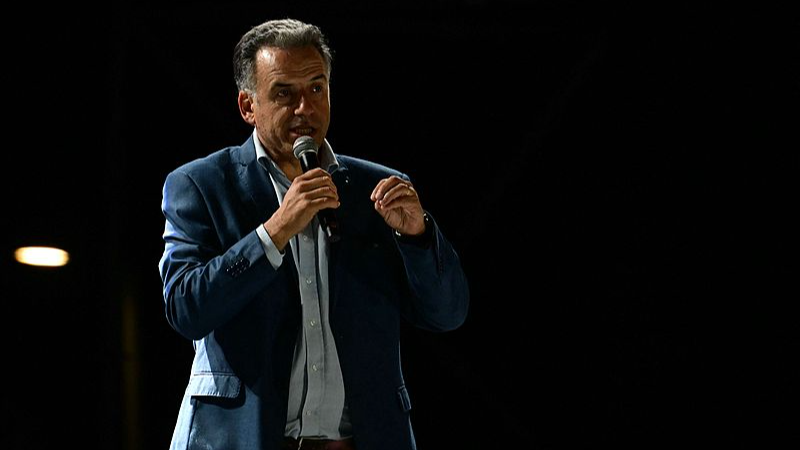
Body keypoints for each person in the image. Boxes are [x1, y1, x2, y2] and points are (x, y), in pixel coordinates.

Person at [158, 18, 469, 450]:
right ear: (248, 106)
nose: (305, 107)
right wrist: (274, 231)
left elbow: (447, 313)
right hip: (241, 439)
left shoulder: (376, 190)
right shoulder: (200, 185)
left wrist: (417, 237)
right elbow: (185, 308)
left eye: (317, 89)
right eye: (284, 92)